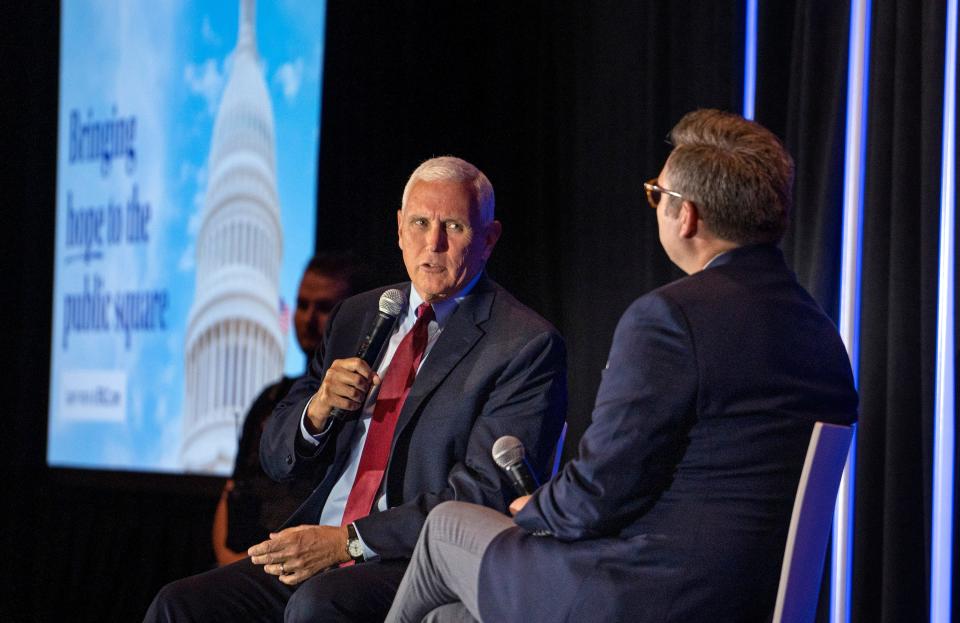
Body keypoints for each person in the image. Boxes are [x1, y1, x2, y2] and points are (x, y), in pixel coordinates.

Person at [384, 110, 860, 623]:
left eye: (657, 194)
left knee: (445, 529)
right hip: (742, 599)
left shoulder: (671, 319)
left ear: (687, 214)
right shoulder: (822, 333)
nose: (655, 205)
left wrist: (535, 512)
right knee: (446, 619)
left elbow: (599, 492)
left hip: (647, 595)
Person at [144, 156, 568, 622]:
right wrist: (317, 410)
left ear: (488, 239)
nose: (434, 243)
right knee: (180, 604)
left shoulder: (523, 344)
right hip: (317, 542)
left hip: (415, 561)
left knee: (317, 606)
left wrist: (349, 540)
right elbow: (275, 455)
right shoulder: (358, 316)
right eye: (421, 223)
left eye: (455, 227)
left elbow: (483, 494)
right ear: (399, 230)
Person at [212, 253, 358, 566]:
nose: (308, 319)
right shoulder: (272, 398)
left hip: (301, 565)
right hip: (238, 563)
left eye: (323, 308)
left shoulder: (358, 403)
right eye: (302, 305)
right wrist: (229, 561)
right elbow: (234, 487)